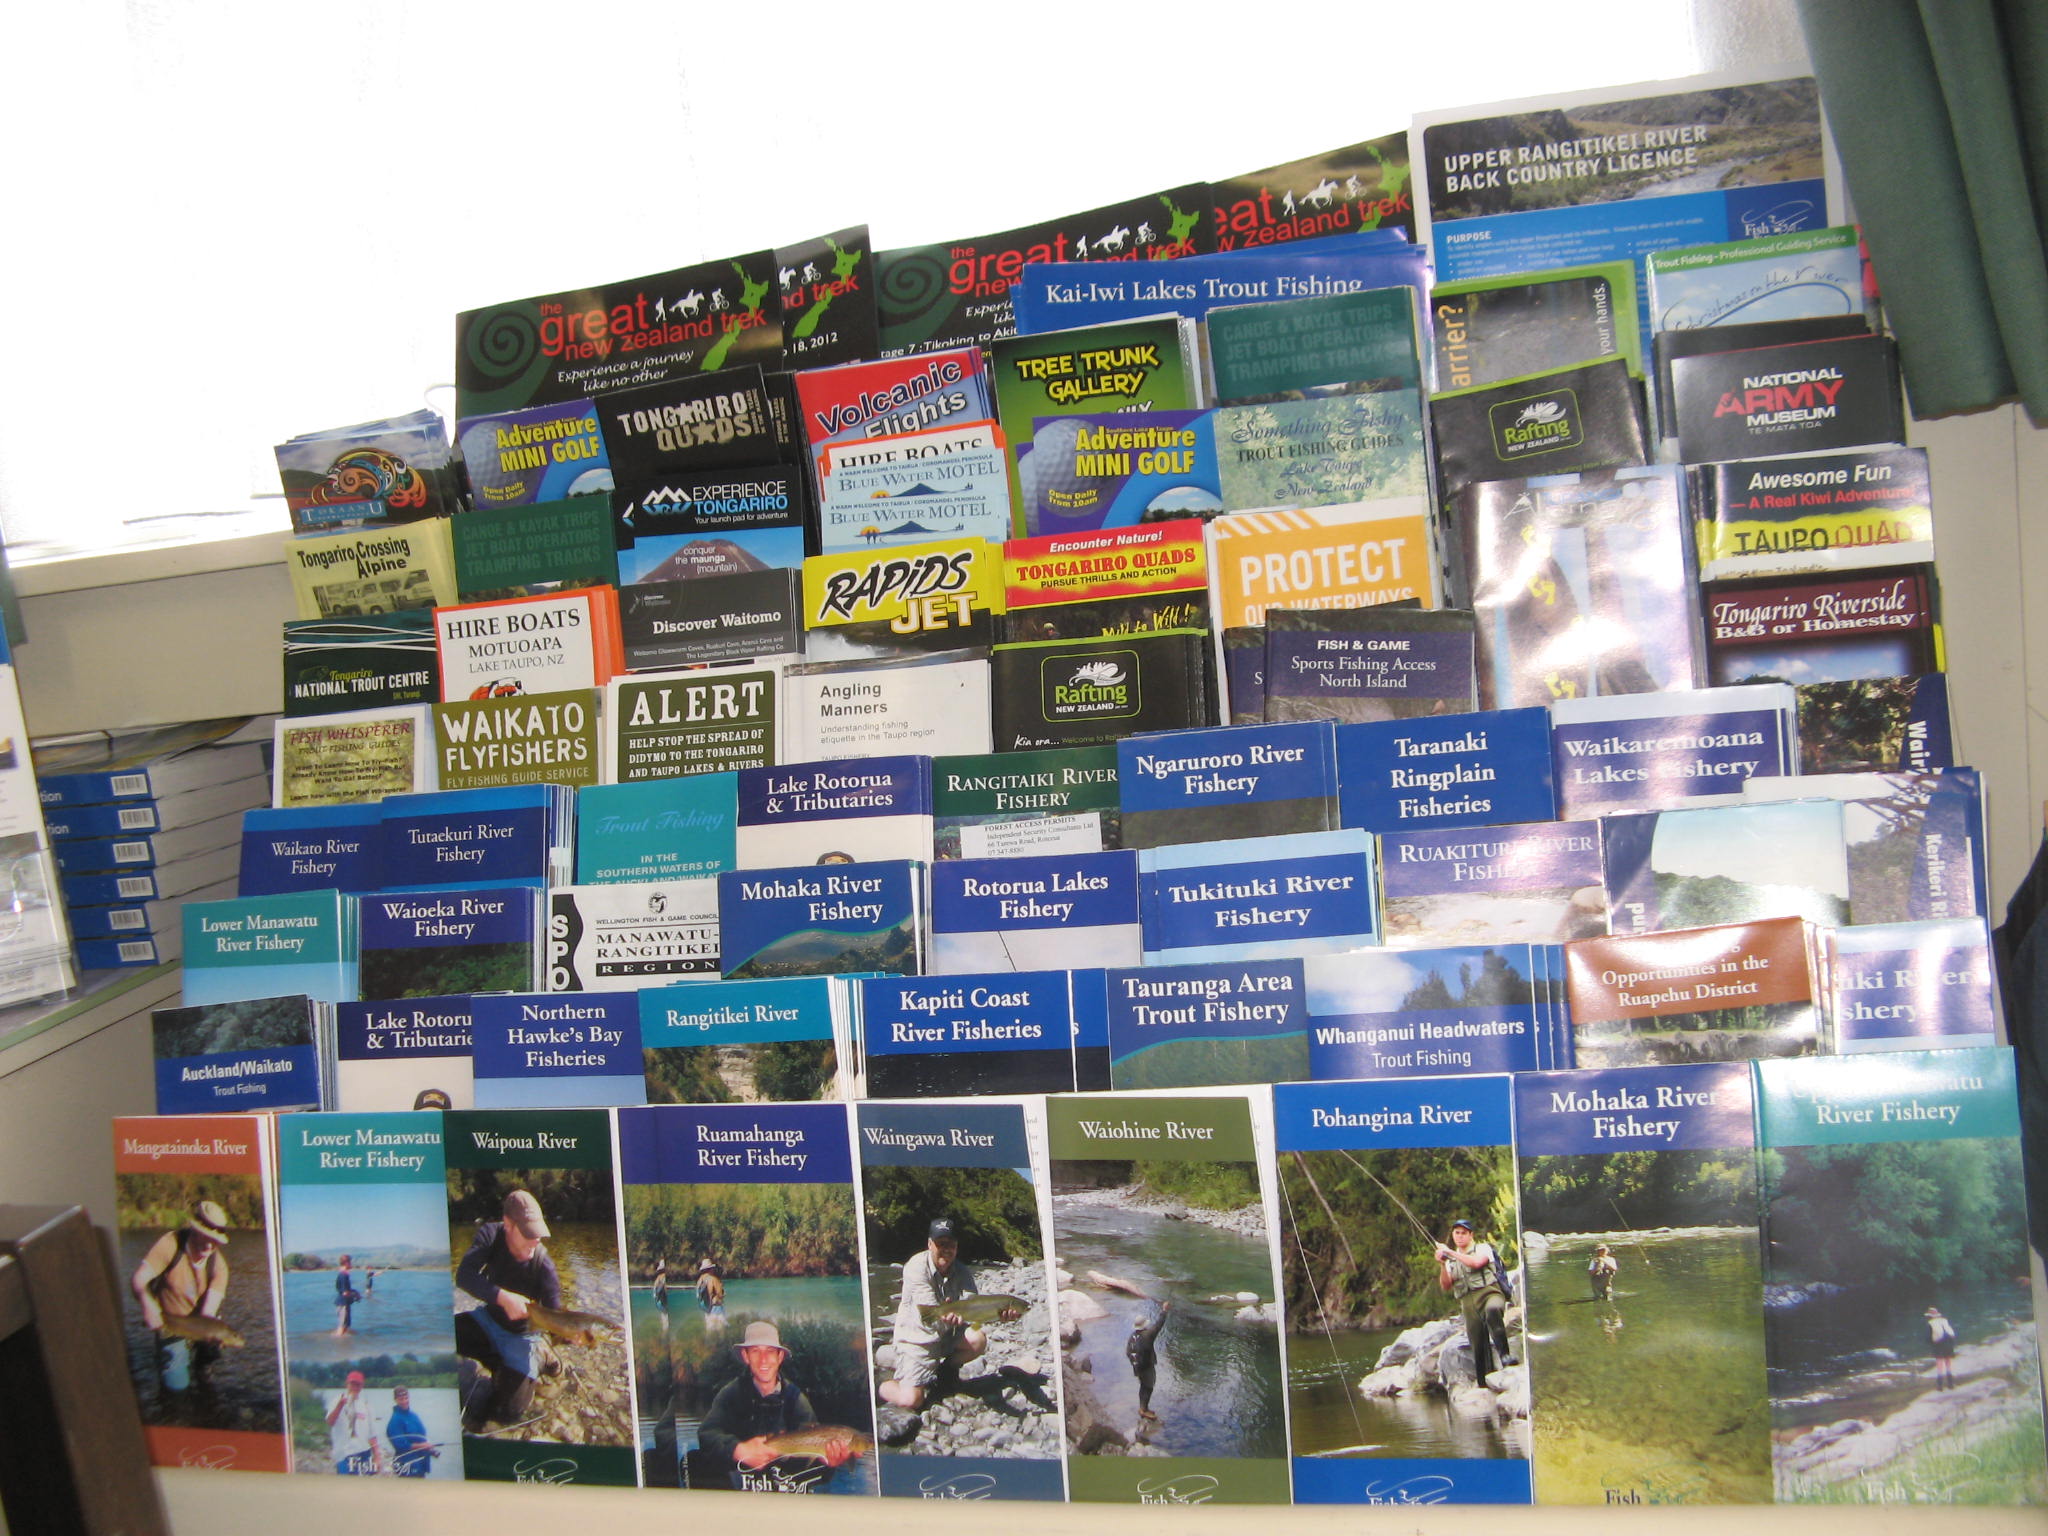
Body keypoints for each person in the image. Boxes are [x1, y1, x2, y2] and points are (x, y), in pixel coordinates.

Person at [877, 1217, 1019, 1411]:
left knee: (978, 1339)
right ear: (930, 1244)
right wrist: (946, 1314)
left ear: (957, 1247)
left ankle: (944, 1373)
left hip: (946, 1335)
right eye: (940, 1244)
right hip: (917, 1341)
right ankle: (882, 1385)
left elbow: (974, 1305)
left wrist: (999, 1316)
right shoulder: (916, 1267)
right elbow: (929, 1312)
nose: (946, 1249)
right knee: (911, 1401)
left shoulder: (962, 1271)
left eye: (951, 1244)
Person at [696, 1321, 855, 1490]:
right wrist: (738, 1450)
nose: (763, 1359)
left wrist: (828, 1464)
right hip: (742, 1489)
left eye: (770, 1351)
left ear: (779, 1357)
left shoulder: (796, 1400)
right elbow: (706, 1435)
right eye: (755, 1351)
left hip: (782, 1489)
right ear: (745, 1356)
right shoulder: (730, 1394)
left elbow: (817, 1474)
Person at [454, 1189, 563, 1432]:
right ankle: (498, 1364)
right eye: (528, 1234)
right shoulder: (491, 1235)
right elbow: (464, 1276)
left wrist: (570, 1334)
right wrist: (503, 1298)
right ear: (508, 1224)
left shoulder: (544, 1264)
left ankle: (542, 1356)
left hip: (522, 1337)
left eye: (538, 1233)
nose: (535, 1241)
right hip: (487, 1321)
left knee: (508, 1413)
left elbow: (556, 1311)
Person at [129, 1198, 232, 1390]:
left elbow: (208, 1312)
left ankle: (202, 1366)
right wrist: (146, 1302)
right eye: (205, 1237)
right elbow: (138, 1279)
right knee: (177, 1387)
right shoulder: (170, 1244)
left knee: (210, 1360)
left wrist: (211, 1333)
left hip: (200, 1323)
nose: (209, 1247)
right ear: (194, 1229)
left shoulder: (219, 1267)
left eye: (215, 1242)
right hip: (170, 1324)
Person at [1436, 1218, 1514, 1379]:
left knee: (1493, 1310)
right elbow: (1446, 1285)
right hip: (1468, 1304)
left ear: (1471, 1235)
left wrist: (1450, 1252)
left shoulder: (1483, 1248)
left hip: (1490, 1293)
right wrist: (1443, 1264)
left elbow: (1477, 1263)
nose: (1460, 1236)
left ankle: (1505, 1356)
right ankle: (1484, 1381)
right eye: (1457, 1233)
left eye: (1463, 1233)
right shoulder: (1450, 1261)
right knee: (1477, 1343)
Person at [326, 1370, 383, 1475]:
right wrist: (340, 1405)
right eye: (352, 1384)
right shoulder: (337, 1400)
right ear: (347, 1384)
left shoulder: (366, 1405)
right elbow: (330, 1422)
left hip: (364, 1453)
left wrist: (377, 1457)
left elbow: (372, 1435)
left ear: (362, 1386)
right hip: (344, 1454)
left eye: (358, 1385)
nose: (355, 1387)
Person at [1126, 1294, 1171, 1420]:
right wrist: (1164, 1310)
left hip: (1137, 1367)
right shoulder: (1148, 1335)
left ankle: (1143, 1407)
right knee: (1149, 1387)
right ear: (1144, 1325)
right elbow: (1158, 1325)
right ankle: (1143, 1410)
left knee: (1143, 1385)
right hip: (1146, 1367)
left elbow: (1128, 1352)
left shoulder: (1132, 1336)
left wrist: (1135, 1362)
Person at [385, 1385, 437, 1476]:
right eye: (401, 1399)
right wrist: (423, 1445)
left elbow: (422, 1436)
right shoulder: (395, 1420)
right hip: (406, 1464)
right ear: (395, 1400)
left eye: (406, 1398)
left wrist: (429, 1448)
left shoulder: (414, 1416)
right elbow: (401, 1446)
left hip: (420, 1463)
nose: (404, 1401)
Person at [1926, 1305, 1959, 1390]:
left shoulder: (1930, 1323)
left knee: (1939, 1364)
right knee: (1948, 1363)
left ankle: (1940, 1386)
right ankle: (1950, 1384)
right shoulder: (1944, 1320)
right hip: (1949, 1342)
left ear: (1929, 1316)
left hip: (1939, 1344)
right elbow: (1951, 1332)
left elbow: (1929, 1337)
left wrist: (1931, 1345)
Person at [334, 1253, 361, 1336]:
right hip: (343, 1303)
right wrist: (355, 1295)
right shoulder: (343, 1275)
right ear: (346, 1263)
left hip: (345, 1303)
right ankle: (338, 1341)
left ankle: (343, 1343)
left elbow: (345, 1290)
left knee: (346, 1325)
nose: (351, 1264)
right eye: (350, 1262)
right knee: (342, 1326)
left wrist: (354, 1292)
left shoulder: (344, 1275)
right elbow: (345, 1293)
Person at [696, 1258, 726, 1328]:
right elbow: (720, 1294)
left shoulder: (699, 1280)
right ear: (711, 1269)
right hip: (716, 1307)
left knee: (710, 1330)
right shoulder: (713, 1279)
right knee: (721, 1330)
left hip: (707, 1308)